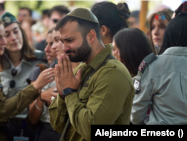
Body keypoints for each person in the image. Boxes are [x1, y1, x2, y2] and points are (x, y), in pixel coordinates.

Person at [49, 8, 134, 141]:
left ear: (91, 36)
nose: (64, 48)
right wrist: (62, 94)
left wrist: (69, 93)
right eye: (62, 42)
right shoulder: (82, 69)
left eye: (70, 40)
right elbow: (58, 125)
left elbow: (92, 130)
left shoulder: (114, 73)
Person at [131, 12, 187, 125]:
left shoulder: (152, 64)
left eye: (162, 27)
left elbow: (136, 115)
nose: (156, 32)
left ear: (170, 32)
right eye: (152, 27)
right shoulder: (150, 61)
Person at [0, 12, 45, 141]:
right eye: (6, 34)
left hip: (32, 128)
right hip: (2, 129)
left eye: (16, 31)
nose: (13, 37)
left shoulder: (40, 62)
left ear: (22, 32)